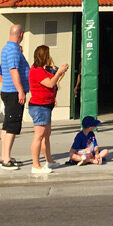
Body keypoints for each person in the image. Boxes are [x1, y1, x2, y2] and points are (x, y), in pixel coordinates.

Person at [27, 45, 68, 175]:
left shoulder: (43, 70)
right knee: (39, 136)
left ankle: (49, 160)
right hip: (39, 106)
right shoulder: (36, 70)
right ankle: (35, 165)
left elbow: (53, 82)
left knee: (46, 135)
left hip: (46, 105)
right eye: (48, 55)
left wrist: (60, 73)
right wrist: (58, 72)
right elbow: (50, 83)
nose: (50, 57)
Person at [0, 23, 28, 170]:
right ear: (20, 35)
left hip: (8, 91)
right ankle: (6, 159)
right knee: (13, 126)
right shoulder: (14, 50)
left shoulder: (6, 48)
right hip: (13, 92)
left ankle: (4, 155)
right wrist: (21, 90)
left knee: (7, 125)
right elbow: (13, 70)